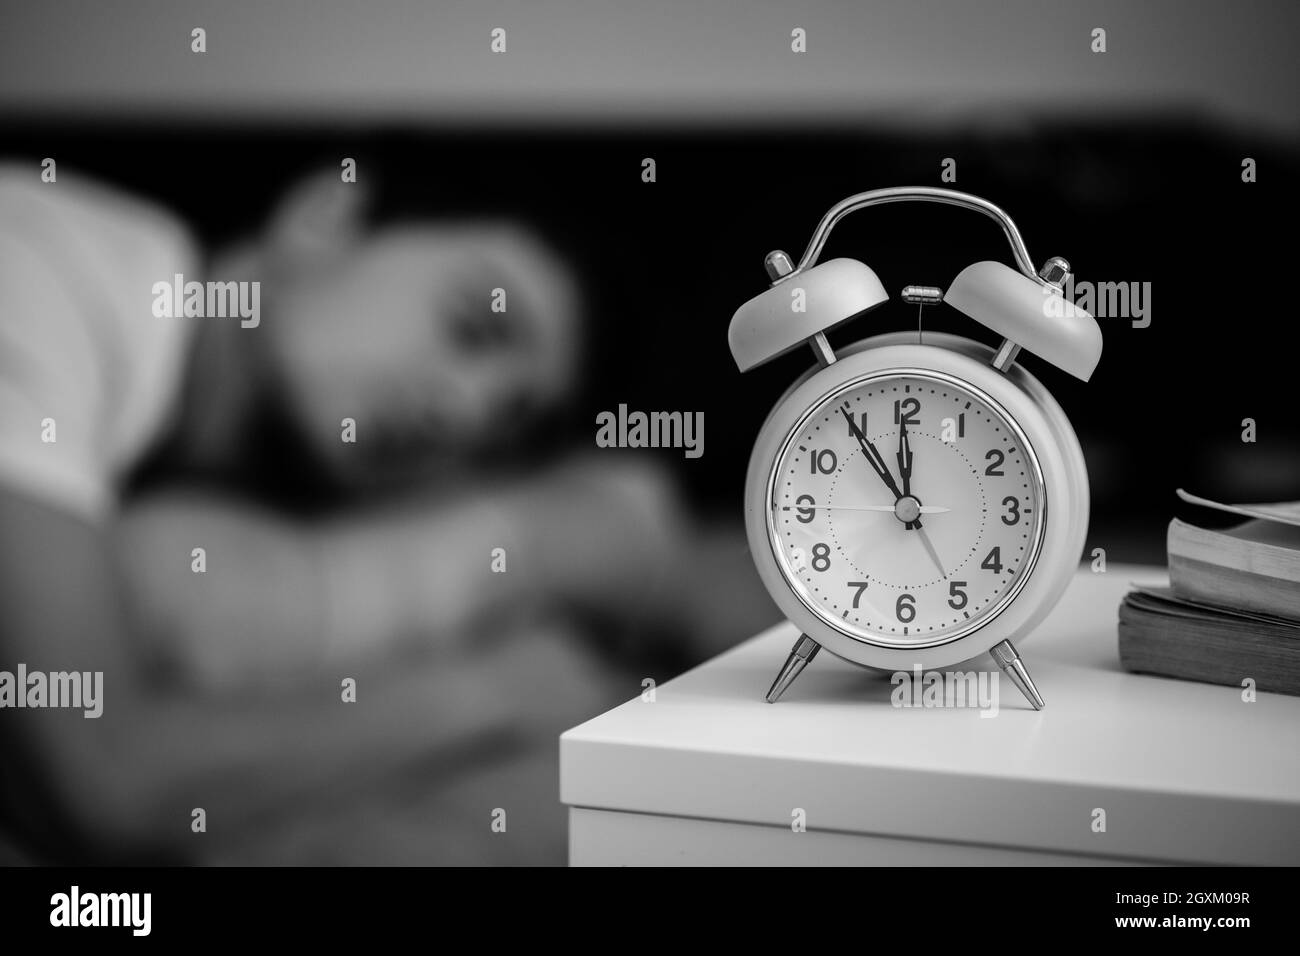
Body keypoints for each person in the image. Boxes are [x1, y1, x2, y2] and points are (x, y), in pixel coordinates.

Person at [0, 164, 776, 864]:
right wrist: (494, 692)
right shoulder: (33, 278)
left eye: (508, 425)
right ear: (328, 214)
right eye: (474, 325)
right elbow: (110, 785)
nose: (465, 410)